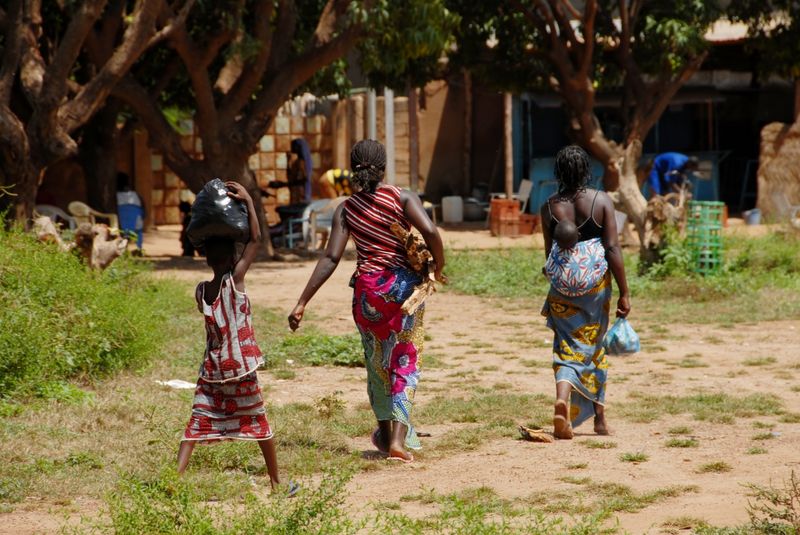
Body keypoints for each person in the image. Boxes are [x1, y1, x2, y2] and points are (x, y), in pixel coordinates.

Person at [287, 139, 445, 463]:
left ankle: (385, 436)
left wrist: (302, 301)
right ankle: (398, 441)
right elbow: (430, 230)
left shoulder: (346, 208)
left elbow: (331, 258)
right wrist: (438, 266)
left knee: (377, 364)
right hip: (403, 291)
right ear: (383, 167)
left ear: (352, 168)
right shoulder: (401, 197)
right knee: (404, 359)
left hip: (367, 294)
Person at [177, 181, 296, 495]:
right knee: (257, 420)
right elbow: (256, 239)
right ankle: (276, 483)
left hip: (213, 370)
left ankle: (173, 481)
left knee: (197, 422)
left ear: (206, 258)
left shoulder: (201, 291)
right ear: (233, 257)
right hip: (241, 367)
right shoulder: (236, 280)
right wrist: (249, 203)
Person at [540, 145, 631, 440]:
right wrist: (624, 292)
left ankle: (562, 398)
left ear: (559, 172)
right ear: (586, 171)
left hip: (561, 290)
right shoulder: (601, 201)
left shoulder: (549, 207)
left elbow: (550, 254)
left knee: (565, 347)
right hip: (596, 289)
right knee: (595, 348)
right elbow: (612, 248)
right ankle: (600, 420)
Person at [116, 172, 145, 250]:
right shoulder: (136, 195)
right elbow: (143, 211)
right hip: (136, 224)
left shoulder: (115, 196)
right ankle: (139, 248)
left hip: (122, 225)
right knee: (138, 229)